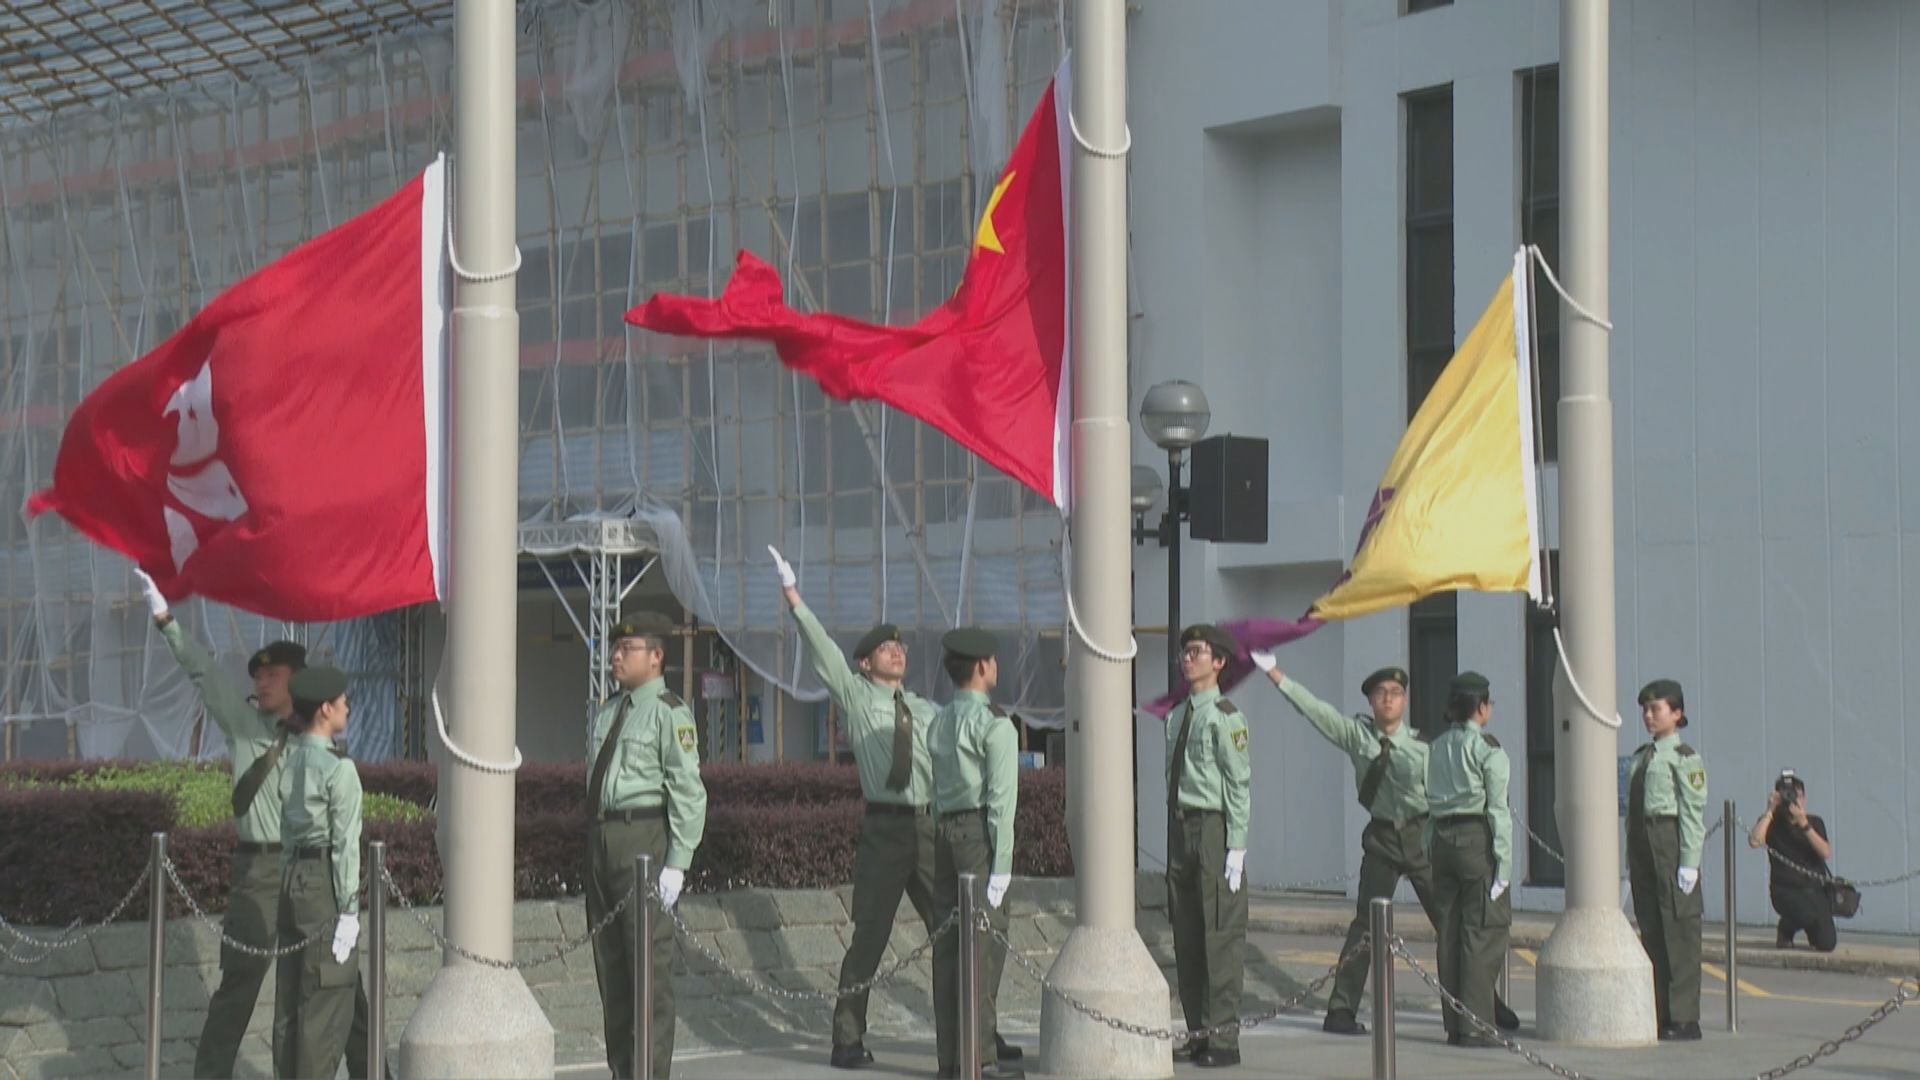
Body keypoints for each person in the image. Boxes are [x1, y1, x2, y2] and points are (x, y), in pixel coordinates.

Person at [135, 571, 380, 1079]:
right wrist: (165, 619)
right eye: (258, 676)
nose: (261, 683)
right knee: (240, 985)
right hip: (258, 873)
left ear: (299, 681)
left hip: (310, 877)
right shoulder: (244, 724)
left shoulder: (319, 744)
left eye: (272, 675)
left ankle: (374, 1072)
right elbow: (203, 672)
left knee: (342, 986)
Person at [1248, 655, 1520, 1037]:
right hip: (1382, 837)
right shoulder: (1357, 735)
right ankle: (1340, 1009)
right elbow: (1314, 710)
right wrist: (1275, 673)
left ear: (1405, 701)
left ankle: (1481, 1004)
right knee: (1366, 926)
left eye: (1395, 692)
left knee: (1453, 924)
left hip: (1422, 835)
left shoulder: (1426, 746)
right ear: (1370, 701)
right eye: (1380, 693)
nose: (1388, 699)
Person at [766, 545, 960, 1070]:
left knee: (953, 933)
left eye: (899, 646)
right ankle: (847, 1038)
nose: (896, 652)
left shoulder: (925, 708)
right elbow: (823, 651)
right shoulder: (855, 697)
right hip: (884, 829)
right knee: (869, 937)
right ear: (865, 663)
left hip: (929, 826)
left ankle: (969, 1038)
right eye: (884, 648)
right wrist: (793, 597)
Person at [585, 613, 709, 1080]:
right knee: (612, 970)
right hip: (602, 839)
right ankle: (624, 1072)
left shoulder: (668, 712)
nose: (616, 656)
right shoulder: (609, 711)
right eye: (614, 648)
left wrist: (677, 863)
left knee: (647, 974)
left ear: (656, 657)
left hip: (642, 839)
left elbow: (688, 792)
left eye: (627, 649)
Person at [928, 627, 1023, 1080]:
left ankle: (951, 1060)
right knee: (982, 951)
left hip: (943, 832)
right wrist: (1001, 866)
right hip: (977, 837)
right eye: (994, 660)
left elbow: (933, 788)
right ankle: (980, 1060)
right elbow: (1002, 804)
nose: (996, 666)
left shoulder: (940, 721)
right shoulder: (995, 725)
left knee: (948, 951)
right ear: (983, 666)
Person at [272, 666, 373, 1079]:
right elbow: (346, 846)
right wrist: (349, 910)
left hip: (292, 879)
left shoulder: (291, 758)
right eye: (343, 700)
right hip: (323, 888)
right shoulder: (338, 769)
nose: (348, 705)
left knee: (301, 999)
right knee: (324, 1004)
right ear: (326, 710)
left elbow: (285, 832)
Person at [1164, 625, 1251, 1068]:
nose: (1188, 658)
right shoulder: (1177, 715)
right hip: (1181, 828)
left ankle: (1223, 1039)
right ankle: (1198, 1031)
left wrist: (1237, 846)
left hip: (1214, 828)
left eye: (1197, 652)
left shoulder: (1226, 716)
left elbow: (1238, 784)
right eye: (1185, 651)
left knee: (1220, 937)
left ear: (1218, 662)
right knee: (1187, 936)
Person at [1423, 671, 1511, 1049]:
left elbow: (1428, 802)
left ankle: (1455, 1025)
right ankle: (1476, 1026)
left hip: (1442, 839)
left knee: (1450, 933)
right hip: (1476, 839)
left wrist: (1429, 846)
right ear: (1482, 708)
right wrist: (1504, 865)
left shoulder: (1436, 747)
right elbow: (1498, 811)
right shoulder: (1488, 749)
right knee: (1482, 931)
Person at [1626, 678, 1707, 1041]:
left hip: (1668, 838)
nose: (1648, 715)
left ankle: (1684, 1016)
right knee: (1652, 927)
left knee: (1679, 928)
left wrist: (1689, 861)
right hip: (1643, 840)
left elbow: (1692, 812)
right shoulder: (1642, 756)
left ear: (1677, 713)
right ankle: (1659, 1010)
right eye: (1645, 709)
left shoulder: (1684, 757)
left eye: (1655, 709)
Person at [1748, 771, 1836, 952]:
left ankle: (1809, 926)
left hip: (1814, 890)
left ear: (1804, 798)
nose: (1792, 800)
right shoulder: (1772, 823)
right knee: (1807, 913)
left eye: (1797, 796)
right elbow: (1754, 842)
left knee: (1827, 944)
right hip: (1785, 890)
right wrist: (1770, 810)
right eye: (1787, 795)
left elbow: (1825, 852)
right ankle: (1785, 929)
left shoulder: (1814, 822)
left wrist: (1804, 824)